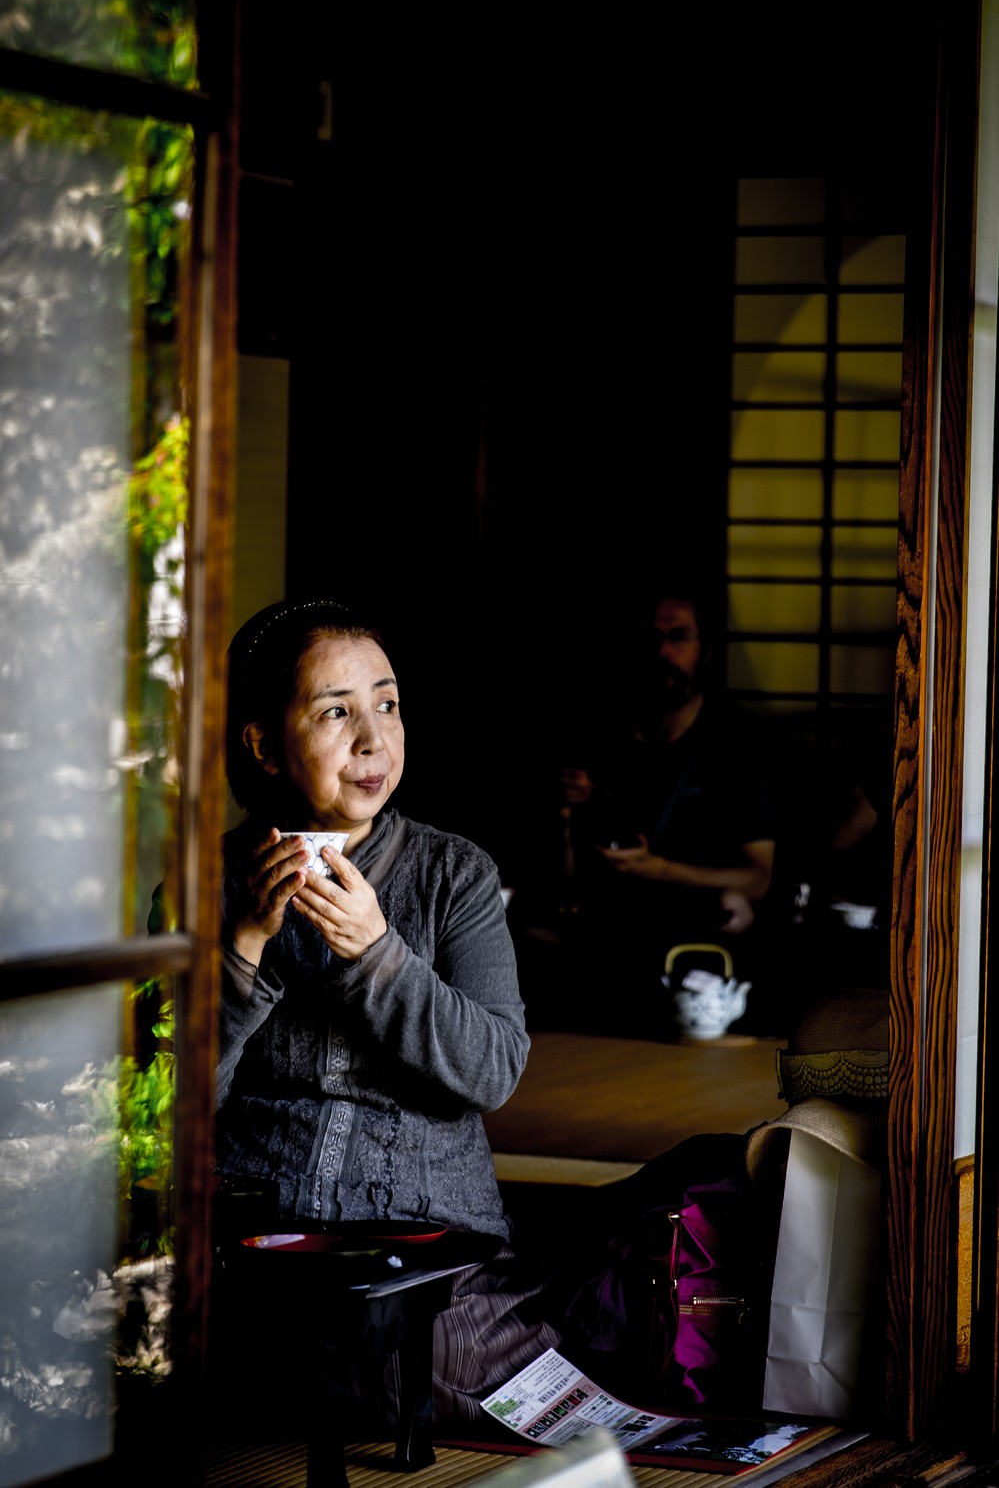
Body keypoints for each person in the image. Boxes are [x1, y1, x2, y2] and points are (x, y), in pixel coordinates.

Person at [211, 597, 559, 1429]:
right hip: (258, 1232)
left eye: (387, 703)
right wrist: (241, 949)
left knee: (439, 1377)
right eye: (337, 712)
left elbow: (493, 1069)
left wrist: (378, 952)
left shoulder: (455, 875)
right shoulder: (206, 881)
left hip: (426, 1236)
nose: (374, 738)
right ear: (262, 743)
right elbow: (164, 1101)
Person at [509, 584, 783, 1037]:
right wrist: (562, 815)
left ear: (707, 650)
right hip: (603, 933)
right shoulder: (602, 736)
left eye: (679, 638)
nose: (663, 651)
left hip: (697, 939)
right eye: (652, 639)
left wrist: (656, 868)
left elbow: (757, 878)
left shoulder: (741, 744)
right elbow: (562, 877)